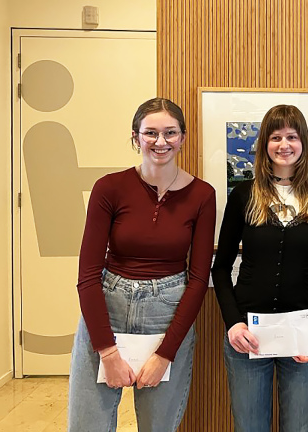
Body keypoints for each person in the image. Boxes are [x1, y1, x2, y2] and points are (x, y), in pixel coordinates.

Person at [68, 98, 217, 431]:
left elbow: (197, 278)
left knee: (157, 427)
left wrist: (165, 353)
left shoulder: (202, 195)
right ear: (135, 137)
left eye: (170, 133)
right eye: (150, 132)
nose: (160, 142)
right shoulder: (109, 188)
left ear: (183, 137)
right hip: (108, 307)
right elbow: (88, 276)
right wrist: (107, 352)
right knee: (86, 426)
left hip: (167, 314)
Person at [212, 105, 308, 432]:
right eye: (276, 137)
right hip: (249, 334)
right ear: (264, 144)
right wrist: (233, 323)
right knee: (249, 427)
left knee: (298, 427)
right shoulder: (243, 196)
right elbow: (221, 268)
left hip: (302, 334)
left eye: (292, 137)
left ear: (303, 143)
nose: (284, 145)